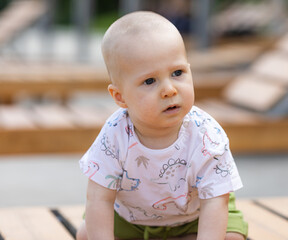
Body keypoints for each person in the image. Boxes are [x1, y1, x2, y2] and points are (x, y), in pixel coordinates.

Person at [76, 11, 248, 240]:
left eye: (178, 73)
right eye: (150, 81)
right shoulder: (115, 134)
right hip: (130, 218)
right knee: (86, 234)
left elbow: (215, 201)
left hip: (196, 217)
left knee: (232, 238)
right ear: (120, 97)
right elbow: (99, 198)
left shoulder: (206, 134)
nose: (169, 89)